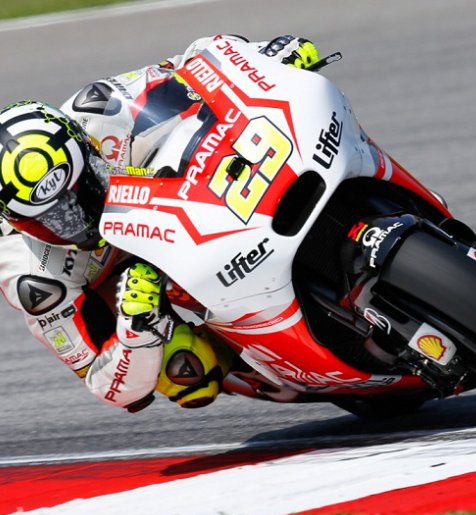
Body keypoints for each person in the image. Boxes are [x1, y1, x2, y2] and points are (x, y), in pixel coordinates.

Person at [0, 34, 321, 412]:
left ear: (87, 145)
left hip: (175, 199)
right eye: (54, 219)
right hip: (123, 281)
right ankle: (261, 365)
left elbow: (195, 65)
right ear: (17, 221)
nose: (79, 219)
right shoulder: (31, 276)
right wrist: (136, 329)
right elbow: (107, 386)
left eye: (83, 188)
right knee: (187, 373)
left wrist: (264, 58)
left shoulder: (103, 107)